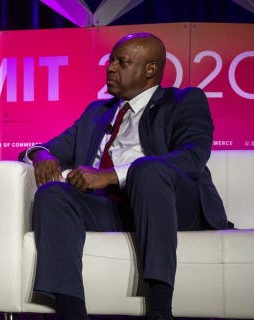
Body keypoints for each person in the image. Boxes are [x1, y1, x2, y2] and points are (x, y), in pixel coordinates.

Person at [25, 33, 231, 320]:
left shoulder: (183, 100)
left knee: (147, 170)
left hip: (169, 204)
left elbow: (192, 158)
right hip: (113, 208)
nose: (110, 68)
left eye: (121, 62)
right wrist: (41, 155)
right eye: (110, 60)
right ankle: (70, 311)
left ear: (150, 70)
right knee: (52, 194)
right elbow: (47, 147)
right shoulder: (98, 112)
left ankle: (160, 310)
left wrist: (111, 176)